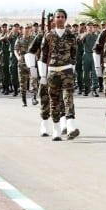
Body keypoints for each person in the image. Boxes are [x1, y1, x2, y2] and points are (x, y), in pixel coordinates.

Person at [30, 9, 79, 141]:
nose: (60, 19)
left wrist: (72, 70)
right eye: (58, 17)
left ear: (65, 19)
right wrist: (41, 75)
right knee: (53, 101)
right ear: (53, 20)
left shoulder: (71, 36)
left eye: (62, 17)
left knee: (68, 99)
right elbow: (42, 56)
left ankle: (70, 127)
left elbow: (74, 55)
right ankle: (55, 129)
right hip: (51, 72)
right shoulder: (47, 36)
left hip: (67, 71)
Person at [14, 24, 35, 107]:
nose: (27, 30)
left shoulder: (33, 39)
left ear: (31, 30)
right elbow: (15, 49)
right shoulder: (19, 39)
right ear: (22, 30)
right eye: (25, 28)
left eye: (28, 28)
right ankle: (24, 101)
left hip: (31, 61)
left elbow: (38, 49)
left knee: (34, 80)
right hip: (22, 61)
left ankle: (34, 98)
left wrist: (36, 56)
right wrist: (18, 57)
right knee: (22, 82)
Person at [81, 22, 99, 97]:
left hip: (94, 54)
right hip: (86, 55)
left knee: (94, 73)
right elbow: (80, 41)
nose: (90, 27)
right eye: (89, 26)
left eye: (91, 26)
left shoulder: (96, 36)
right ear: (86, 27)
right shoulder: (84, 35)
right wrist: (85, 34)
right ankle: (86, 88)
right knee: (86, 73)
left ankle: (94, 89)